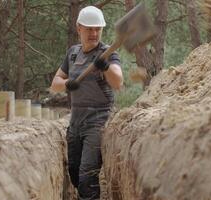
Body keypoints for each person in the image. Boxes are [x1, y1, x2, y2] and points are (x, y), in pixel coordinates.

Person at [51, 5, 123, 200]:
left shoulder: (107, 53)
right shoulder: (73, 53)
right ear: (79, 28)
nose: (94, 33)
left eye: (98, 29)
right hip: (75, 121)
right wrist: (68, 83)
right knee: (74, 171)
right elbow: (55, 83)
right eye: (89, 29)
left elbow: (118, 81)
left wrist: (106, 67)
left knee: (87, 176)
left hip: (98, 121)